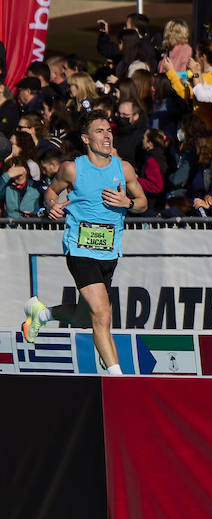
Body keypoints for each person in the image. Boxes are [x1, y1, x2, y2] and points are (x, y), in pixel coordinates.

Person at [22, 112, 148, 375]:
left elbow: (143, 202)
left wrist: (129, 204)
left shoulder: (123, 168)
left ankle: (41, 314)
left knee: (83, 317)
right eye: (100, 131)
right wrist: (52, 206)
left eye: (108, 130)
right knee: (102, 315)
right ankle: (117, 377)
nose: (107, 135)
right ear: (86, 139)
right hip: (79, 248)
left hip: (109, 251)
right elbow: (51, 192)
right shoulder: (72, 168)